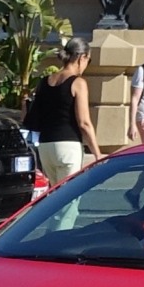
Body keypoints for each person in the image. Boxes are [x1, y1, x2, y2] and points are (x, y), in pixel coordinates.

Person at [21, 37, 103, 183]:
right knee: (69, 198)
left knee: (55, 196)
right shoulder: (78, 83)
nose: (86, 65)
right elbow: (84, 123)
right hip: (68, 146)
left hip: (46, 145)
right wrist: (97, 154)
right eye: (88, 61)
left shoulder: (44, 82)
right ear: (81, 57)